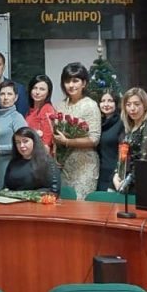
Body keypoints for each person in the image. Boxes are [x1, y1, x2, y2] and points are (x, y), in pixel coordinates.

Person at [52, 62, 101, 200]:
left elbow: (94, 139)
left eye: (75, 81)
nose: (71, 85)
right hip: (64, 166)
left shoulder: (90, 105)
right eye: (67, 81)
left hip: (84, 166)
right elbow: (56, 134)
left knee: (81, 206)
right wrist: (56, 154)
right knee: (64, 205)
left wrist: (67, 142)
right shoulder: (61, 105)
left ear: (84, 83)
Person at [113, 87, 147, 191]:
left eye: (137, 104)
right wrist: (116, 175)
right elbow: (123, 156)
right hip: (124, 182)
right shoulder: (129, 128)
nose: (132, 108)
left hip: (141, 184)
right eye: (128, 105)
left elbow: (144, 161)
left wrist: (126, 183)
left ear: (145, 106)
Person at [4, 127, 60, 193]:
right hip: (11, 199)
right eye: (18, 142)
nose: (21, 145)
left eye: (25, 141)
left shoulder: (47, 162)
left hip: (37, 199)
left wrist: (26, 195)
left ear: (34, 141)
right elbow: (5, 187)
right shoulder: (13, 162)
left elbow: (53, 190)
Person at [96, 89, 125, 192]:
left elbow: (123, 151)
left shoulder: (121, 122)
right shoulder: (98, 123)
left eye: (110, 101)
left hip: (114, 174)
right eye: (103, 101)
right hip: (99, 173)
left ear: (116, 103)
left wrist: (118, 173)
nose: (106, 104)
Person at [24, 75, 57, 154]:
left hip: (40, 156)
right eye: (35, 88)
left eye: (42, 89)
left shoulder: (47, 109)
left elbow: (46, 144)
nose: (37, 92)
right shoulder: (30, 110)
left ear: (48, 92)